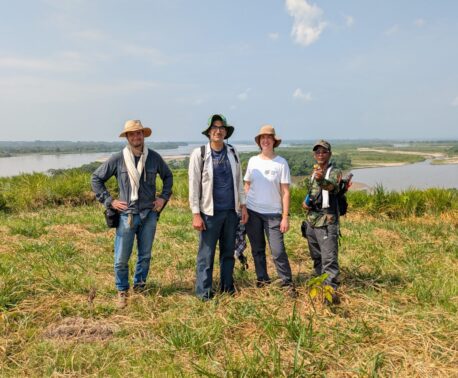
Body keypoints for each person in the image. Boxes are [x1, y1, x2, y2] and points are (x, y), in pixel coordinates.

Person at [92, 120, 173, 309]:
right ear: (127, 137)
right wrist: (110, 201)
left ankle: (140, 286)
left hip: (149, 214)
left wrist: (163, 198)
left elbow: (168, 177)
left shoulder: (153, 158)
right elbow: (96, 178)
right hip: (126, 215)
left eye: (139, 133)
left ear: (143, 135)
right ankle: (122, 290)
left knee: (145, 255)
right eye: (132, 134)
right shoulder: (118, 158)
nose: (136, 137)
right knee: (121, 257)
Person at [188, 114, 248, 300]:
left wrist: (243, 206)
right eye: (214, 127)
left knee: (228, 253)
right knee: (206, 255)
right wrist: (196, 214)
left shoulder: (232, 152)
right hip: (209, 213)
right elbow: (193, 184)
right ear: (208, 132)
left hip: (231, 211)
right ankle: (203, 293)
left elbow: (238, 181)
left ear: (226, 132)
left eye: (222, 127)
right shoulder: (200, 154)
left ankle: (227, 288)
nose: (218, 130)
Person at [244, 124, 296, 296]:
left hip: (273, 214)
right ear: (259, 141)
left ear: (274, 141)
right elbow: (247, 185)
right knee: (257, 249)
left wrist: (285, 217)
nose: (265, 140)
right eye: (262, 138)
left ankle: (287, 283)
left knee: (278, 250)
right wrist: (243, 208)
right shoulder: (253, 161)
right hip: (253, 212)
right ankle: (262, 279)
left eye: (269, 137)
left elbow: (285, 192)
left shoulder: (281, 163)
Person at [302, 140, 342, 304]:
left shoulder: (334, 172)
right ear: (314, 155)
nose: (320, 154)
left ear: (329, 154)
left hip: (327, 221)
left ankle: (330, 293)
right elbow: (311, 193)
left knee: (329, 260)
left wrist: (321, 180)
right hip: (312, 221)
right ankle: (320, 284)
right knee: (317, 257)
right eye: (317, 152)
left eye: (324, 152)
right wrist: (305, 203)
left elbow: (331, 186)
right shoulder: (314, 173)